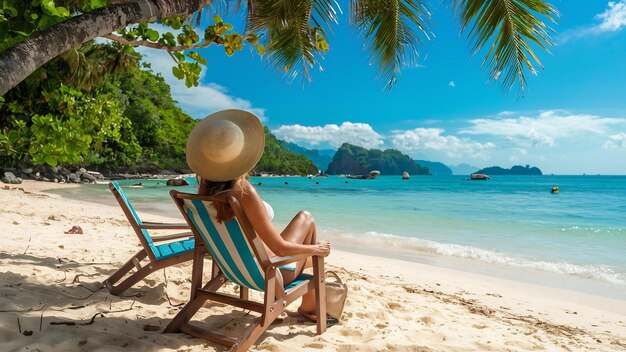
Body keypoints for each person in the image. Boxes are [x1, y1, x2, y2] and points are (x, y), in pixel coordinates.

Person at [185, 109, 331, 321]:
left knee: (307, 236)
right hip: (268, 275)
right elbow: (280, 248)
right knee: (308, 229)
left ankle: (309, 304)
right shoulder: (242, 192)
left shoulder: (203, 195)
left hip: (235, 269)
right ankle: (309, 307)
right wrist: (316, 249)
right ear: (241, 154)